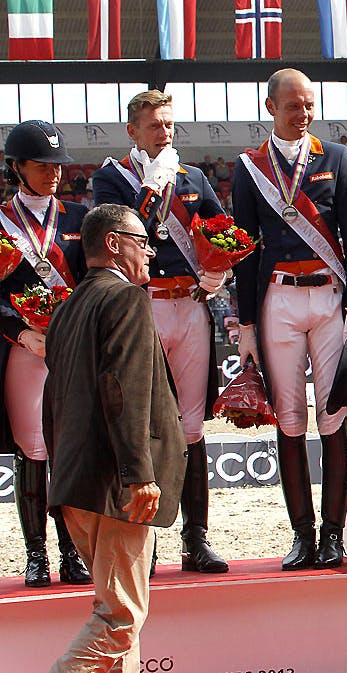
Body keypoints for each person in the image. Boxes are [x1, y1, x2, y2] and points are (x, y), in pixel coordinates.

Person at [233, 68, 347, 570]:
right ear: (271, 107)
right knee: (289, 419)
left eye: (309, 104)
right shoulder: (250, 168)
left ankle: (333, 534)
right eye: (293, 105)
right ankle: (301, 535)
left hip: (330, 298)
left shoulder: (335, 157)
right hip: (279, 301)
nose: (303, 113)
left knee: (332, 415)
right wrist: (245, 324)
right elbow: (245, 251)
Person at [44, 203, 187, 673]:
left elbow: (54, 400)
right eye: (142, 241)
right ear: (113, 244)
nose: (150, 251)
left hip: (76, 484)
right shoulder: (126, 299)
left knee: (121, 620)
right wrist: (138, 474)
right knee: (119, 618)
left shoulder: (66, 310)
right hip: (117, 488)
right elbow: (122, 390)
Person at [92, 89, 230, 574]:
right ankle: (140, 542)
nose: (164, 132)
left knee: (191, 426)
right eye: (154, 125)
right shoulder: (111, 179)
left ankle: (196, 537)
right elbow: (121, 240)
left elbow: (219, 229)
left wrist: (219, 269)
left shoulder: (192, 176)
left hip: (189, 305)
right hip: (140, 307)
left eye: (169, 124)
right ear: (132, 131)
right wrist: (151, 191)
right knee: (140, 423)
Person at [0, 120, 91, 588]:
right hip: (25, 349)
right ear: (17, 167)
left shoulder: (78, 218)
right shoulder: (0, 222)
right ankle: (36, 554)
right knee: (33, 451)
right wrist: (22, 331)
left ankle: (72, 551)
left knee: (71, 449)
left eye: (57, 165)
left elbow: (95, 279)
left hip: (73, 347)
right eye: (41, 165)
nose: (53, 173)